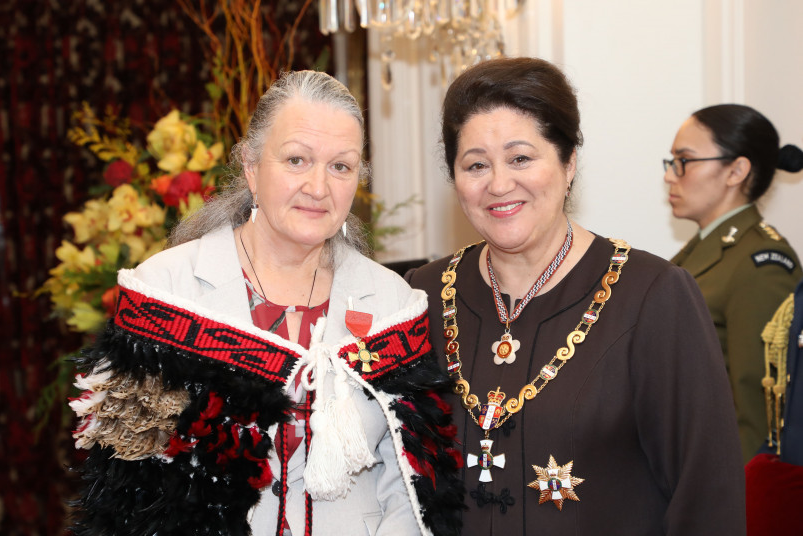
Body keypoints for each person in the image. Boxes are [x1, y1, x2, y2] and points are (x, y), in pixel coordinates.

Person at [68, 70, 463, 536]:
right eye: (297, 159)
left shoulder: (392, 300)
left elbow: (413, 482)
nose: (319, 187)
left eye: (341, 166)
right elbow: (128, 486)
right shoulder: (168, 287)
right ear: (252, 166)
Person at [405, 57, 745, 535]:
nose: (499, 184)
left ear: (568, 164)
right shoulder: (422, 295)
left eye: (521, 158)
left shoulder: (653, 296)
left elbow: (707, 499)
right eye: (476, 164)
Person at [665, 104, 803, 463]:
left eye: (684, 160)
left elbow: (760, 416)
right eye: (672, 161)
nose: (670, 175)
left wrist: (730, 510)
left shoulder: (763, 263)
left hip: (721, 482)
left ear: (736, 171)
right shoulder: (701, 252)